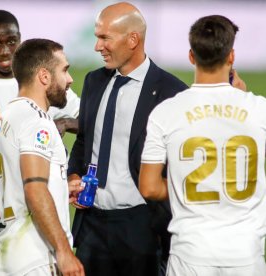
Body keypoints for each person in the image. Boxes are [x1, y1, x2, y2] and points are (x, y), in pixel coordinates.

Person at [67, 2, 188, 276]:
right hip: (91, 223)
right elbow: (85, 141)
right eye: (97, 37)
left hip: (141, 226)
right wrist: (73, 174)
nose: (97, 47)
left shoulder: (172, 92)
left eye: (104, 37)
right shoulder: (93, 81)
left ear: (133, 39)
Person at [139, 15, 265, 276]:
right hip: (245, 252)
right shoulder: (259, 110)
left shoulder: (166, 112)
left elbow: (149, 188)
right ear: (231, 57)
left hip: (191, 252)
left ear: (191, 56)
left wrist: (186, 185)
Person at [0, 38, 84, 276]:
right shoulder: (37, 122)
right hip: (37, 255)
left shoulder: (2, 119)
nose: (70, 80)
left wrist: (60, 187)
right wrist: (63, 251)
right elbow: (34, 189)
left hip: (9, 251)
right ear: (44, 76)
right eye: (64, 70)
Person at [0, 9, 80, 137]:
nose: (4, 51)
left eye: (11, 42)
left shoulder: (45, 81)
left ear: (20, 39)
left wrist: (66, 123)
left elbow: (92, 121)